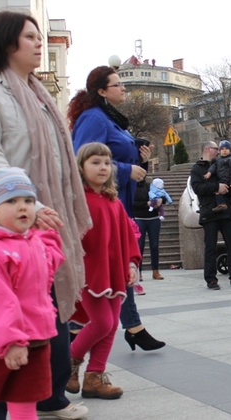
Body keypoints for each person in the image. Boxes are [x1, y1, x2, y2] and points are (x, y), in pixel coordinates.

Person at [0, 11, 91, 419]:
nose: (38, 43)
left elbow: (58, 160)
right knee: (0, 320)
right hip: (0, 229)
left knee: (45, 311)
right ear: (5, 42)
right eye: (29, 36)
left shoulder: (39, 94)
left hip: (40, 226)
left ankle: (49, 398)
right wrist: (26, 202)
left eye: (39, 36)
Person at [69, 65, 164, 352]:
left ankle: (88, 328)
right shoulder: (94, 118)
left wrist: (139, 158)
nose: (123, 88)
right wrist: (126, 168)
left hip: (116, 202)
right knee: (114, 267)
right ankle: (117, 329)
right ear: (101, 90)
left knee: (119, 267)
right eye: (117, 84)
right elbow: (80, 160)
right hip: (100, 205)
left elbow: (113, 154)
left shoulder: (110, 118)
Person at [0, 168, 65, 420]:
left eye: (28, 201)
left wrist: (49, 234)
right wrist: (11, 342)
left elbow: (52, 261)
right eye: (11, 201)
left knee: (26, 401)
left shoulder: (34, 242)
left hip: (37, 337)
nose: (23, 207)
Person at [66, 143, 141, 400]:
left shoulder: (113, 202)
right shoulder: (77, 202)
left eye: (107, 163)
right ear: (81, 167)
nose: (103, 168)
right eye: (95, 162)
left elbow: (128, 236)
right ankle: (68, 364)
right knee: (102, 323)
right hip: (88, 273)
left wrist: (131, 263)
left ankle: (94, 377)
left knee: (110, 328)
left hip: (113, 272)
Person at [191, 141, 231, 290]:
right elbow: (197, 188)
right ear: (208, 149)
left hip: (226, 212)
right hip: (209, 212)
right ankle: (211, 279)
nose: (219, 151)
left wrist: (229, 187)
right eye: (217, 149)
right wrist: (216, 187)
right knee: (210, 247)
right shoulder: (197, 168)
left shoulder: (223, 163)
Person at [133, 177, 165, 280]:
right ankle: (139, 272)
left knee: (155, 246)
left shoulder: (151, 186)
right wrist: (146, 204)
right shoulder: (131, 187)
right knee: (139, 246)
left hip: (154, 219)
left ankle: (155, 271)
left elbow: (162, 195)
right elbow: (130, 203)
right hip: (139, 219)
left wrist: (161, 200)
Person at [203, 139, 231, 214]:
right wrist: (209, 173)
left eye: (226, 149)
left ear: (230, 150)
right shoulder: (218, 160)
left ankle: (221, 204)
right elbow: (213, 167)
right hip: (221, 179)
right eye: (222, 149)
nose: (224, 151)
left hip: (227, 180)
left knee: (217, 191)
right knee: (229, 197)